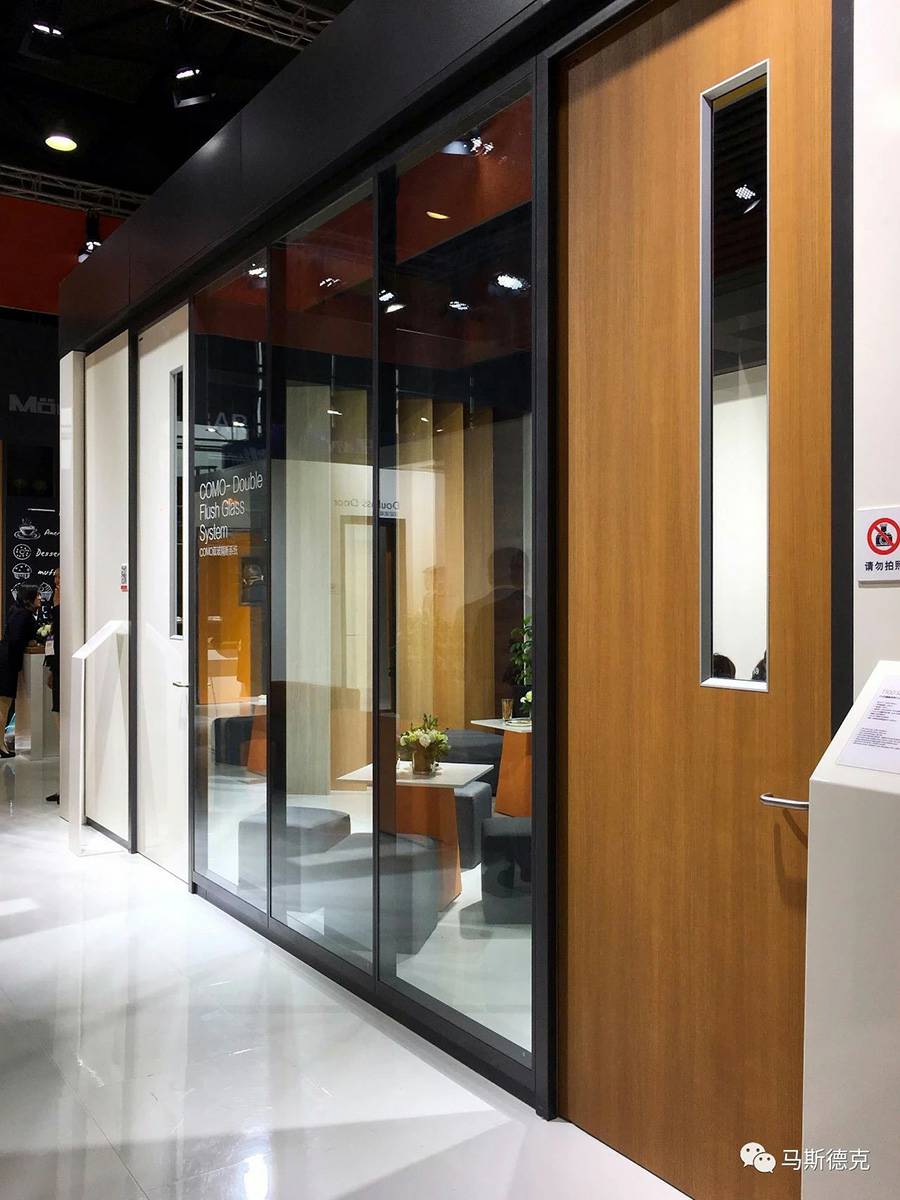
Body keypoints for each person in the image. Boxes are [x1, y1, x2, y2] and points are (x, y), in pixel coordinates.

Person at [0, 584, 41, 759]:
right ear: (29, 597)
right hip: (8, 663)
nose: (40, 598)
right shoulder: (24, 615)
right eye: (37, 595)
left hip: (5, 659)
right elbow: (18, 640)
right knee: (4, 705)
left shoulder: (15, 612)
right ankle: (0, 745)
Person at [46, 569, 61, 802]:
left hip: (63, 671)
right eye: (55, 580)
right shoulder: (56, 608)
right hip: (58, 671)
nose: (57, 583)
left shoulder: (65, 608)